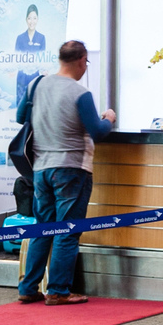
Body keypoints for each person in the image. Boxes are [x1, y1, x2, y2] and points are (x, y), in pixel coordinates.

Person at [16, 40, 116, 305]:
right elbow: (97, 131)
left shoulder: (35, 85)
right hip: (72, 167)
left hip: (40, 168)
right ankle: (59, 290)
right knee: (68, 230)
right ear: (82, 60)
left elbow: (19, 117)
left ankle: (28, 287)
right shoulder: (79, 93)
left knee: (43, 227)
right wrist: (109, 118)